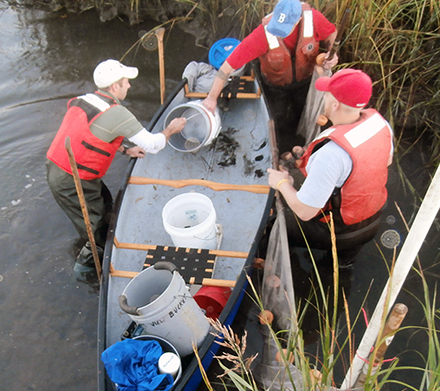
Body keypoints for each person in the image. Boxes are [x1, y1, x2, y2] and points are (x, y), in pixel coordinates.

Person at [46, 59, 186, 274]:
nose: (129, 86)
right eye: (126, 82)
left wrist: (124, 148)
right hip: (71, 178)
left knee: (104, 201)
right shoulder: (118, 113)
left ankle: (102, 239)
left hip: (58, 166)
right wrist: (170, 130)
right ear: (114, 87)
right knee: (96, 229)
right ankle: (85, 268)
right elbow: (153, 144)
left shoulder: (84, 100)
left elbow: (92, 131)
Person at [267, 68, 393, 264]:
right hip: (372, 222)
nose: (322, 98)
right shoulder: (381, 124)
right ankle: (341, 268)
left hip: (336, 232)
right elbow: (387, 161)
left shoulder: (331, 154)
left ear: (335, 104)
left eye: (325, 95)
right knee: (340, 266)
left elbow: (305, 211)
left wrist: (282, 182)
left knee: (271, 227)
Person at [203, 0, 338, 136]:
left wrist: (331, 52)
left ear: (299, 20)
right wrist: (212, 97)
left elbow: (331, 33)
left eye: (284, 28)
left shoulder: (313, 19)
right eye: (277, 26)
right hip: (275, 86)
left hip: (305, 82)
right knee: (276, 118)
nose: (278, 33)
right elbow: (227, 67)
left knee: (301, 111)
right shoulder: (261, 35)